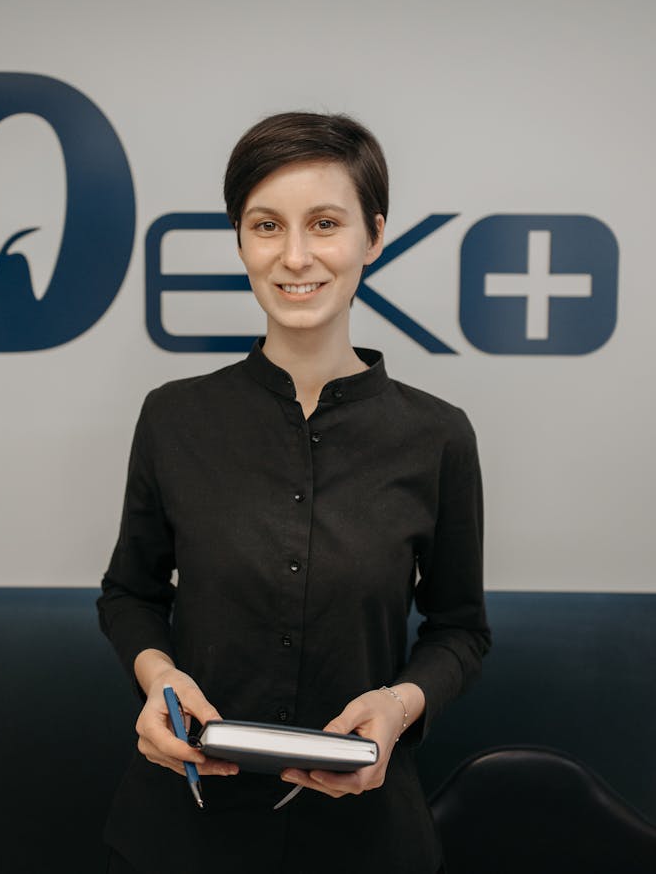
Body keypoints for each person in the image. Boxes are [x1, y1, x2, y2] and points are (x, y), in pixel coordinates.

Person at [97, 111, 491, 874]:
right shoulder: (174, 415)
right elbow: (128, 593)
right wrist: (160, 677)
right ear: (241, 240)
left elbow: (460, 630)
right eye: (267, 225)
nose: (295, 254)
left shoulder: (438, 436)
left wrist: (399, 706)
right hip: (181, 829)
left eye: (325, 222)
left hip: (365, 838)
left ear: (374, 236)